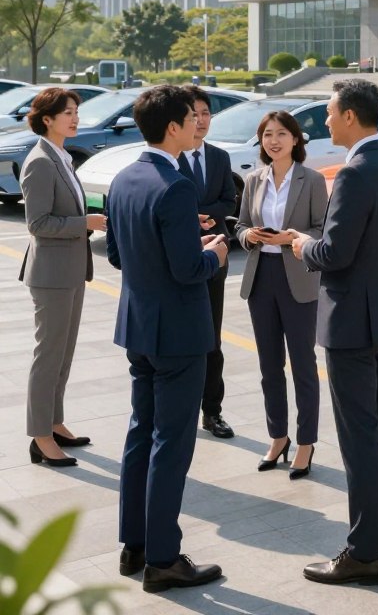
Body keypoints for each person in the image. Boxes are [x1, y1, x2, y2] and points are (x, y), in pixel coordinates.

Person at [289, 79, 378, 588]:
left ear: (352, 116)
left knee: (359, 435)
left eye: (331, 112)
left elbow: (335, 253)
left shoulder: (355, 173)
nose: (326, 119)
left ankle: (362, 553)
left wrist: (302, 246)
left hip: (351, 324)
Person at [106, 85, 228, 593]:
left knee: (142, 432)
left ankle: (134, 545)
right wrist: (214, 254)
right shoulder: (175, 185)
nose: (197, 126)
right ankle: (162, 558)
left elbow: (117, 254)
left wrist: (183, 244)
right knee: (170, 444)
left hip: (139, 324)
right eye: (190, 119)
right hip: (177, 331)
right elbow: (186, 269)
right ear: (172, 128)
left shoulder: (123, 177)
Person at [236, 110, 328, 480]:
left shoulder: (313, 180)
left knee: (303, 365)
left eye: (281, 134)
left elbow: (322, 228)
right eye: (267, 135)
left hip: (298, 276)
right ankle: (278, 436)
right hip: (262, 277)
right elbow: (240, 225)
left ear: (295, 139)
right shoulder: (253, 179)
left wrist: (291, 237)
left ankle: (306, 443)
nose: (273, 141)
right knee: (269, 366)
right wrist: (249, 237)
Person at [20, 88, 107, 468]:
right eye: (67, 113)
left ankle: (54, 423)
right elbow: (37, 224)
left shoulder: (62, 157)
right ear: (47, 119)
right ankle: (40, 438)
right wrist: (83, 224)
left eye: (75, 111)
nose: (74, 118)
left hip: (69, 270)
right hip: (51, 274)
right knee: (48, 356)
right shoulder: (39, 162)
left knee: (63, 355)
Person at [179, 86, 237, 440]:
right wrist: (191, 217)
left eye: (205, 114)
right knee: (183, 336)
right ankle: (182, 407)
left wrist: (202, 214)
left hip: (215, 253)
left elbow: (229, 201)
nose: (200, 121)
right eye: (193, 114)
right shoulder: (172, 157)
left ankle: (212, 411)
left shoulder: (219, 157)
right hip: (183, 257)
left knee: (212, 336)